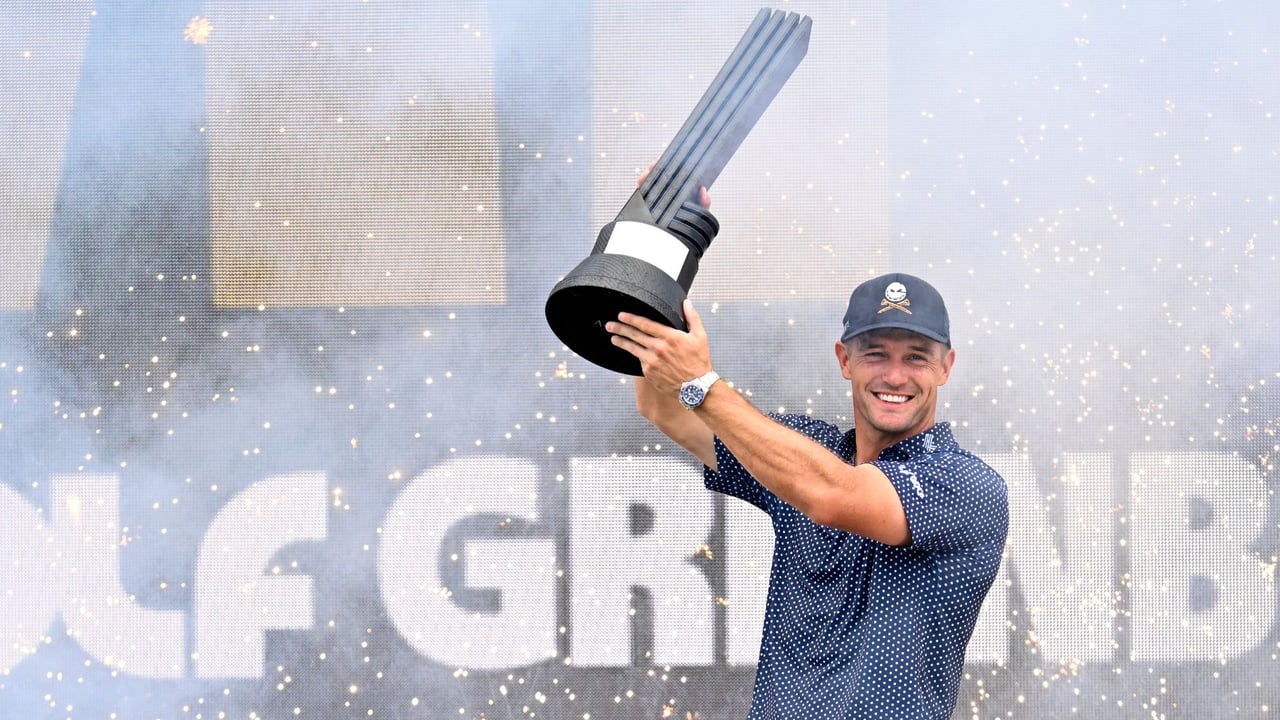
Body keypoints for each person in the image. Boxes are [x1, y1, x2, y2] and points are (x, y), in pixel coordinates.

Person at [605, 270, 1009, 719]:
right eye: (875, 354)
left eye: (916, 357)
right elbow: (662, 406)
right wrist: (660, 263)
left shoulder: (968, 484)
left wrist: (701, 383)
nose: (895, 376)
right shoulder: (806, 454)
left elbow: (832, 495)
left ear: (946, 367)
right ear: (844, 360)